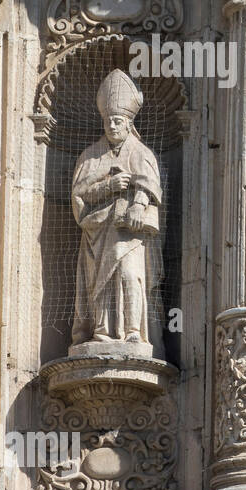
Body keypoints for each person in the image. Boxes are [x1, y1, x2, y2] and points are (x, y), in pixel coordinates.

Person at [70, 69, 162, 351]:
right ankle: (102, 332)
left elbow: (151, 185)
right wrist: (109, 186)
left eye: (118, 120)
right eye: (108, 120)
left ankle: (134, 331)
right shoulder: (90, 155)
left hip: (130, 233)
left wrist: (138, 203)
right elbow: (78, 193)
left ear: (128, 124)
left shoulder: (141, 152)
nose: (112, 125)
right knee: (99, 282)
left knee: (130, 276)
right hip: (97, 233)